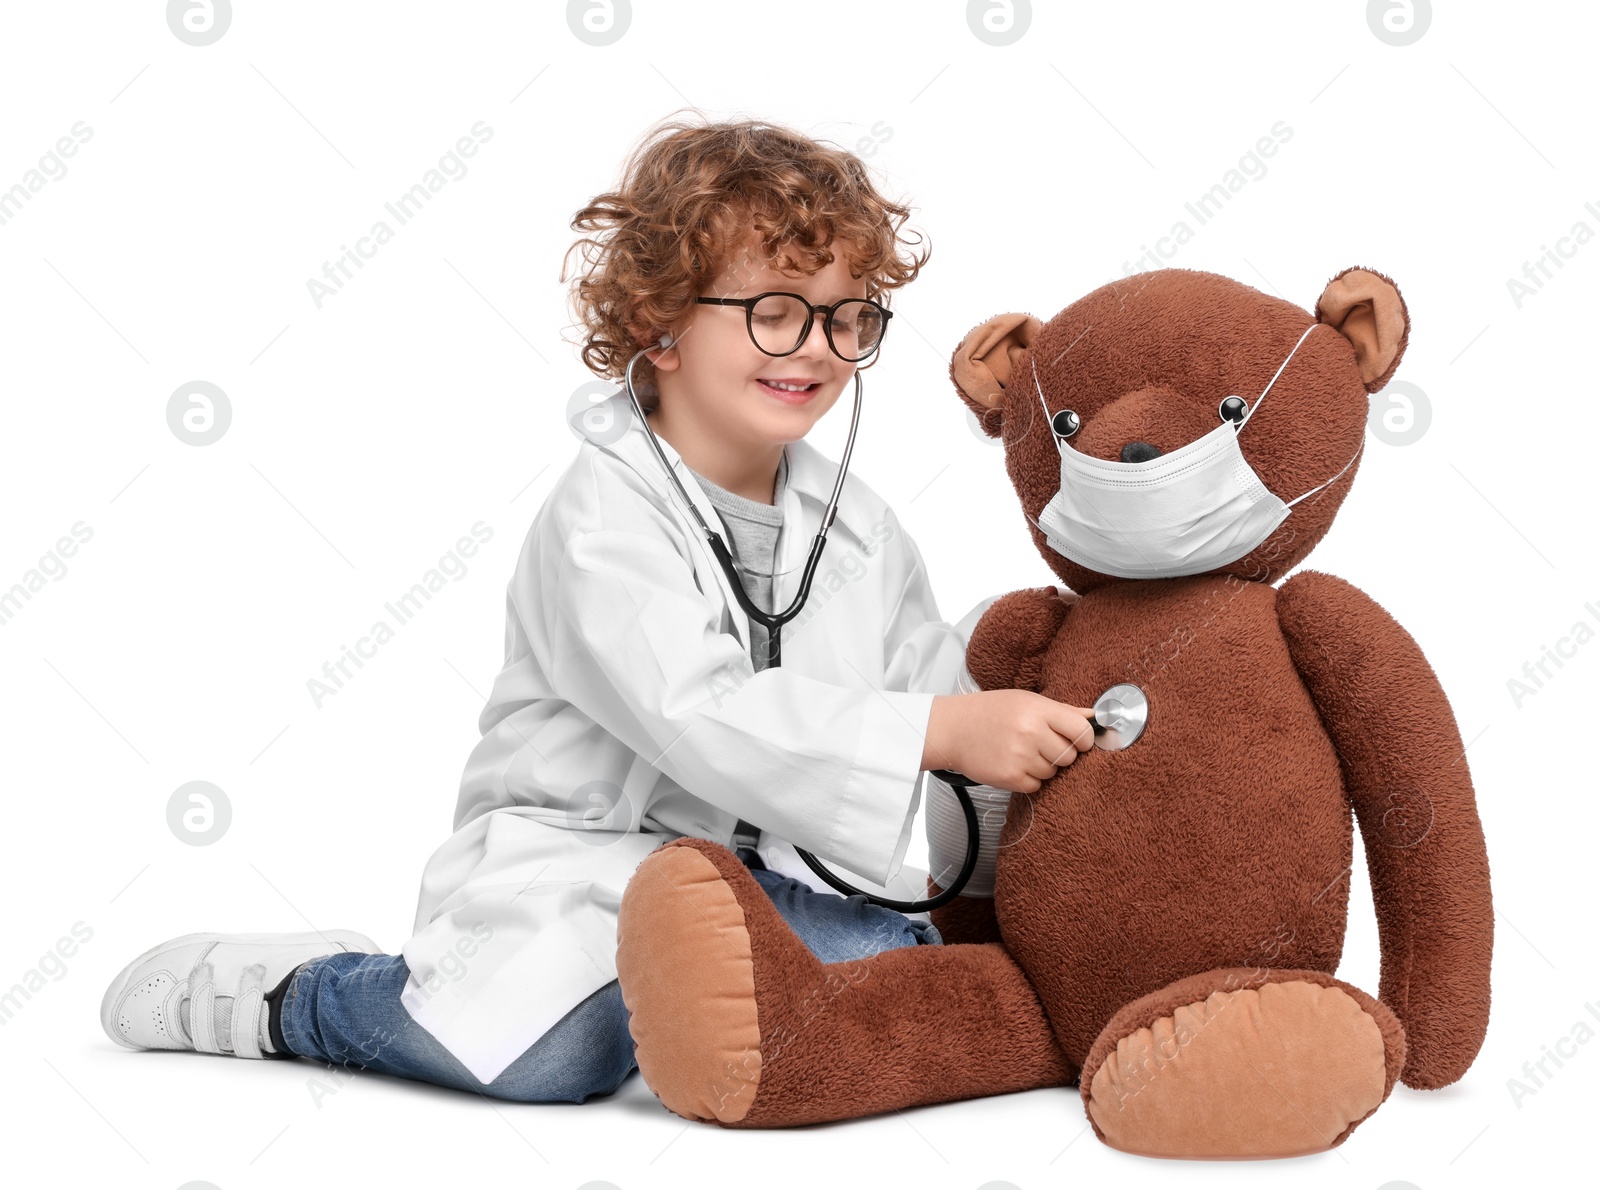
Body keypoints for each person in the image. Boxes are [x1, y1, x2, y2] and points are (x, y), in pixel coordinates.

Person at [99, 116, 1096, 1102]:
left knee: (900, 957)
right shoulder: (602, 514)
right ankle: (297, 996)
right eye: (774, 310)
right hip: (575, 870)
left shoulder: (858, 530)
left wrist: (1017, 675)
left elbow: (925, 679)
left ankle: (698, 1010)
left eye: (846, 316)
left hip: (764, 882)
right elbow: (697, 712)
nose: (818, 347)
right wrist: (940, 727)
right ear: (659, 322)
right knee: (548, 1058)